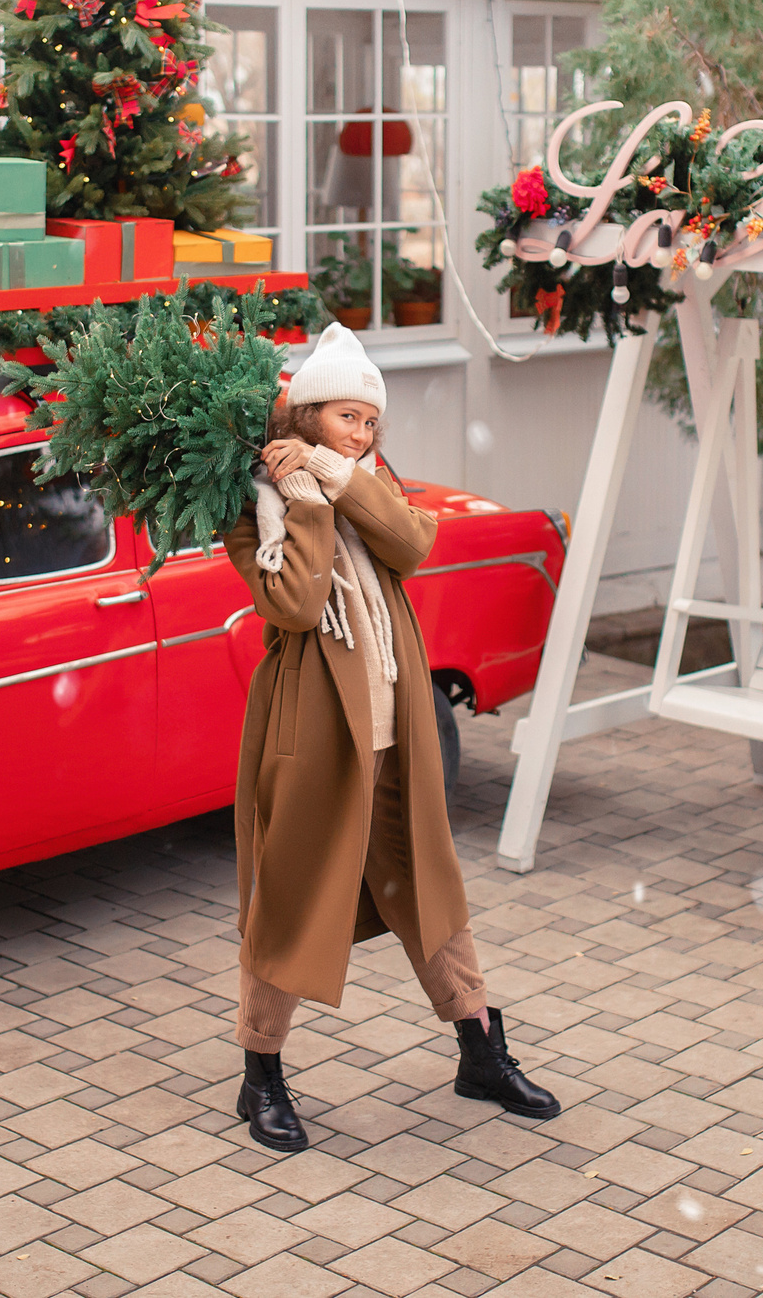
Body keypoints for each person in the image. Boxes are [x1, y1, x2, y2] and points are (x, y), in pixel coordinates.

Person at [221, 321, 559, 1153]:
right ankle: (258, 1074)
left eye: (371, 422)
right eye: (346, 419)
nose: (364, 434)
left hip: (396, 725)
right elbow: (296, 606)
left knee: (430, 885)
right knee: (292, 899)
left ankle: (480, 1049)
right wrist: (303, 506)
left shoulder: (359, 482)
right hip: (313, 731)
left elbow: (414, 541)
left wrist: (338, 475)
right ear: (305, 414)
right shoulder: (255, 508)